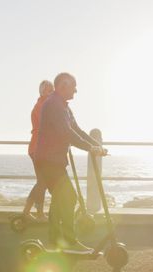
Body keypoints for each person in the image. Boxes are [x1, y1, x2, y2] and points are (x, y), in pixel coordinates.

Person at [34, 72, 106, 253]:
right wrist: (90, 149)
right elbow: (66, 133)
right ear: (63, 86)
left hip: (54, 160)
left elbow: (77, 130)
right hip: (48, 160)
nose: (76, 90)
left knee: (61, 199)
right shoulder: (53, 105)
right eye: (74, 85)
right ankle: (67, 241)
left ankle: (56, 242)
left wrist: (97, 146)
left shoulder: (63, 106)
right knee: (68, 197)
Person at [21, 80, 54, 223]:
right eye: (47, 90)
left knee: (43, 181)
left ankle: (31, 212)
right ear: (41, 92)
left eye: (51, 90)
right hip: (38, 148)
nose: (50, 92)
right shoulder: (42, 106)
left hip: (41, 148)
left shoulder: (44, 105)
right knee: (42, 181)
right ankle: (33, 213)